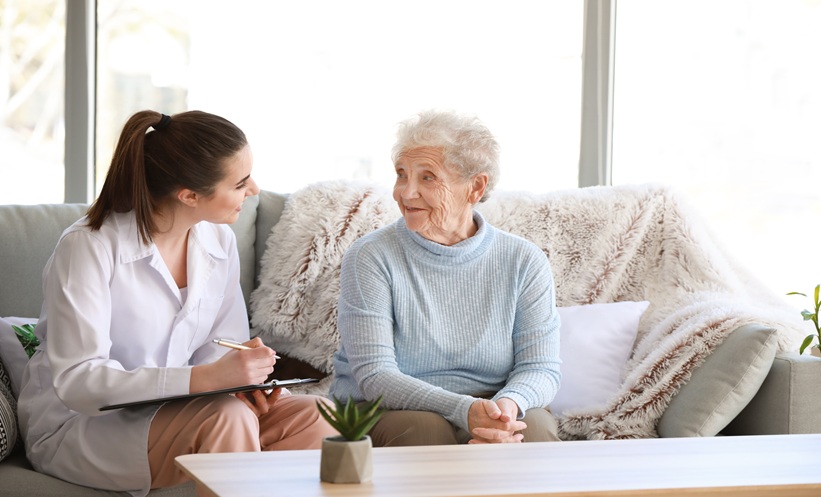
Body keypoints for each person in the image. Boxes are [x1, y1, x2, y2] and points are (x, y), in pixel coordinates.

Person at [17, 110, 337, 495]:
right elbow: (79, 382)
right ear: (189, 195)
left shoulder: (218, 242)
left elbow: (219, 350)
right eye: (239, 183)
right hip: (82, 425)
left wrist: (241, 379)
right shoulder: (89, 247)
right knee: (227, 420)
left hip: (185, 410)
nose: (253, 189)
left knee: (315, 415)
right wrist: (205, 380)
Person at [329, 110, 562, 446]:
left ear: (475, 187)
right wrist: (464, 410)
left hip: (493, 402)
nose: (406, 193)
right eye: (401, 175)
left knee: (533, 430)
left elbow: (541, 368)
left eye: (427, 178)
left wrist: (506, 409)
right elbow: (376, 377)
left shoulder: (523, 260)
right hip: (393, 406)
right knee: (426, 432)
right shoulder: (371, 256)